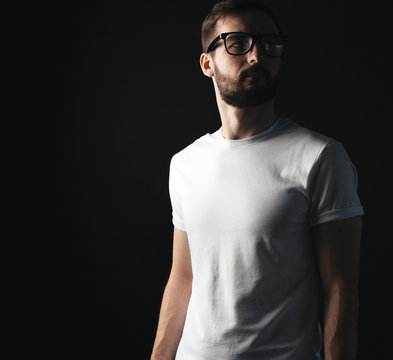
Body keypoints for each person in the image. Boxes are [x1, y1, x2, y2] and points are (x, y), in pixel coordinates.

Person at [150, 1, 364, 359]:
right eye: (238, 43)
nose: (256, 56)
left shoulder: (319, 157)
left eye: (269, 45)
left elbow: (340, 288)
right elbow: (183, 277)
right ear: (207, 63)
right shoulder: (185, 164)